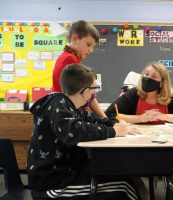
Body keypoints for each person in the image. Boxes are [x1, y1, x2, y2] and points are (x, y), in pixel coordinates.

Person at [27, 63, 140, 200]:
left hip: (70, 173)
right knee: (125, 187)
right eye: (94, 88)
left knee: (126, 178)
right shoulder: (58, 103)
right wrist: (113, 132)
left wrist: (115, 124)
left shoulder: (75, 108)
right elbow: (74, 131)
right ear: (86, 91)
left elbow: (96, 120)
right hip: (53, 185)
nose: (95, 92)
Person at [105, 61, 173, 126]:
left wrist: (163, 116)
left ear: (162, 82)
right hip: (136, 140)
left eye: (154, 76)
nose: (148, 78)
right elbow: (110, 114)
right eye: (147, 74)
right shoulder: (133, 94)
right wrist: (140, 118)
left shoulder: (171, 97)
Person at [52, 20, 107, 119]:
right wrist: (104, 118)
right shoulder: (70, 59)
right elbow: (88, 95)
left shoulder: (68, 57)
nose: (91, 50)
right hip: (68, 115)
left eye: (93, 46)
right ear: (75, 38)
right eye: (88, 44)